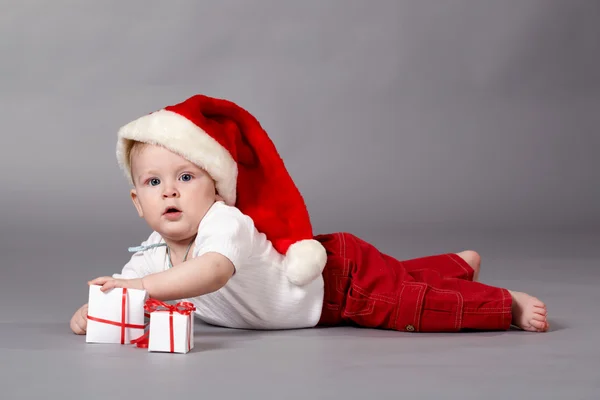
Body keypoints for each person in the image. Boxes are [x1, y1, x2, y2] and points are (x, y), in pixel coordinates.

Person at [70, 94, 549, 335]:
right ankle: (457, 265)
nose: (170, 190)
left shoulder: (224, 224)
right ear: (138, 202)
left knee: (412, 306)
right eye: (154, 183)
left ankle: (505, 304)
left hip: (339, 283)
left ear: (216, 187)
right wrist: (93, 312)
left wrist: (136, 289)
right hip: (324, 294)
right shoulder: (152, 256)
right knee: (402, 280)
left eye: (187, 177)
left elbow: (210, 274)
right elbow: (123, 293)